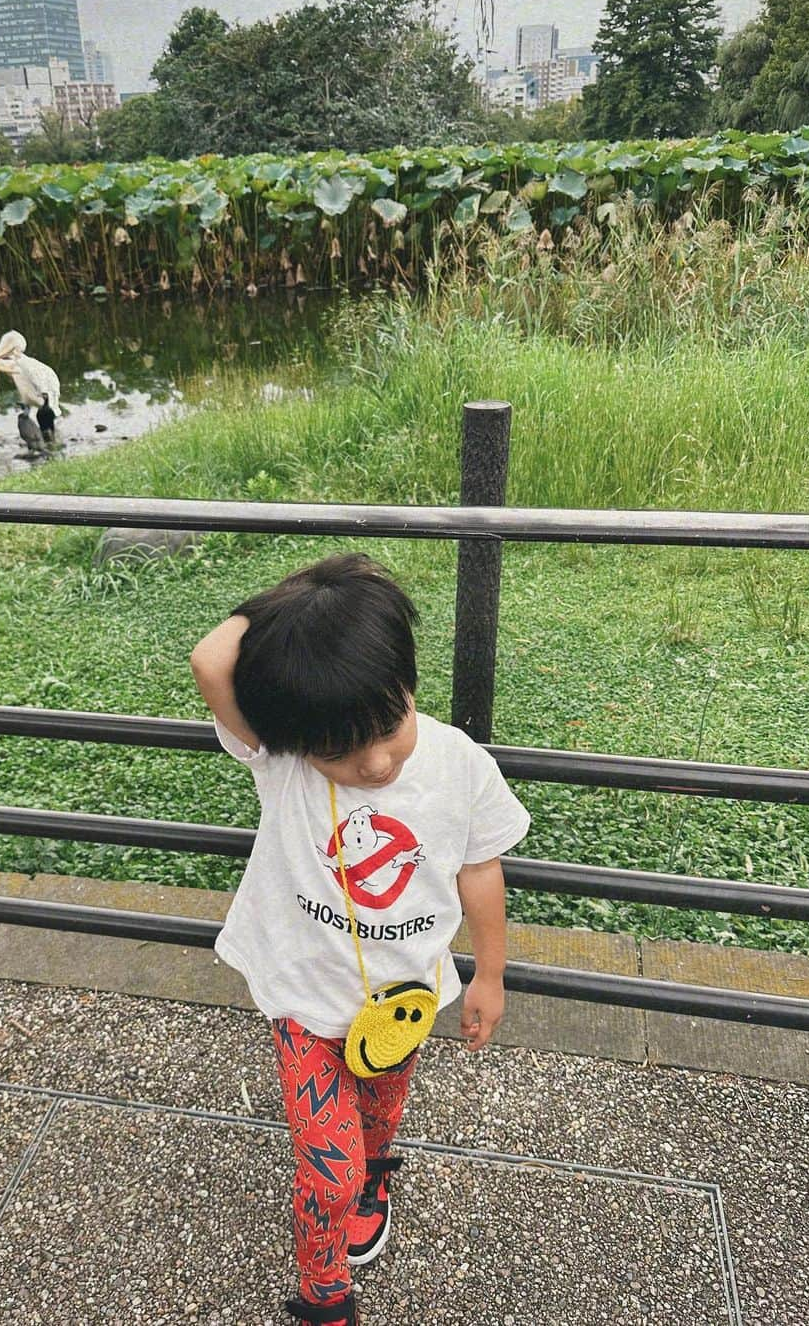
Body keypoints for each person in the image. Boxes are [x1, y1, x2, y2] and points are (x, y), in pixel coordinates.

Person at [190, 552, 532, 1326]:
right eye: (343, 752)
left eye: (389, 727)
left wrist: (490, 975)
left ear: (407, 686)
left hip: (404, 995)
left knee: (380, 1114)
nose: (374, 763)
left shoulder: (459, 768)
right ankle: (323, 1295)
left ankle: (376, 1177)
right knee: (327, 1171)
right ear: (292, 737)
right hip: (306, 999)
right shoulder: (282, 759)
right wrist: (307, 602)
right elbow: (211, 659)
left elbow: (480, 872)